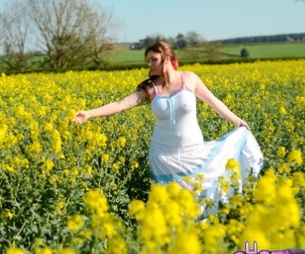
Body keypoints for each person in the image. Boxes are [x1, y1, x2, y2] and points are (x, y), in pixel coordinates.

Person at [73, 41, 264, 217]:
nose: (149, 64)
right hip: (163, 155)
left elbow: (213, 101)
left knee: (199, 196)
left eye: (153, 59)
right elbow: (119, 104)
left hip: (193, 149)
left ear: (168, 58)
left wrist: (236, 120)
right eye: (147, 60)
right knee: (174, 207)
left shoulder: (189, 79)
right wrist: (89, 113)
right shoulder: (150, 88)